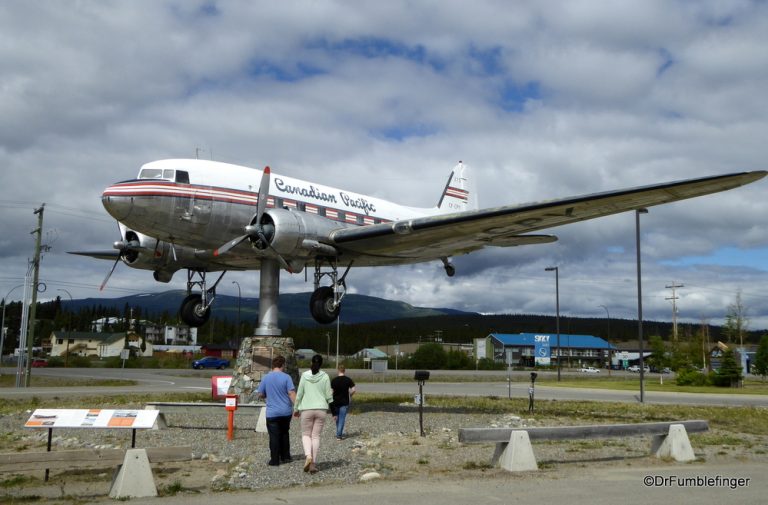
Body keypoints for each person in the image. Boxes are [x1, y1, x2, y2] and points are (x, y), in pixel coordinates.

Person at [293, 354, 333, 474]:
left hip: (307, 409)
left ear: (311, 362)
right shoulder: (325, 376)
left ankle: (308, 456)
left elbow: (299, 393)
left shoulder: (305, 376)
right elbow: (328, 396)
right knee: (315, 436)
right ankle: (313, 463)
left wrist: (296, 408)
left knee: (306, 435)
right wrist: (334, 411)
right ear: (321, 364)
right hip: (321, 409)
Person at [256, 355, 296, 466]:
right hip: (285, 411)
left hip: (272, 412)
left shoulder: (266, 378)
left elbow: (260, 394)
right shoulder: (287, 377)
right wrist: (297, 407)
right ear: (283, 365)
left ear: (273, 365)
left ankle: (274, 460)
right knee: (284, 433)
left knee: (274, 436)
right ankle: (285, 457)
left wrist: (265, 395)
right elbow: (291, 393)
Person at [330, 364, 356, 440]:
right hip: (344, 402)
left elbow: (331, 392)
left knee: (337, 418)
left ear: (338, 370)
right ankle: (339, 435)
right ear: (344, 370)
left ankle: (339, 433)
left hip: (335, 402)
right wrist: (350, 395)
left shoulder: (334, 380)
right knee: (342, 418)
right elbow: (354, 390)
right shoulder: (348, 380)